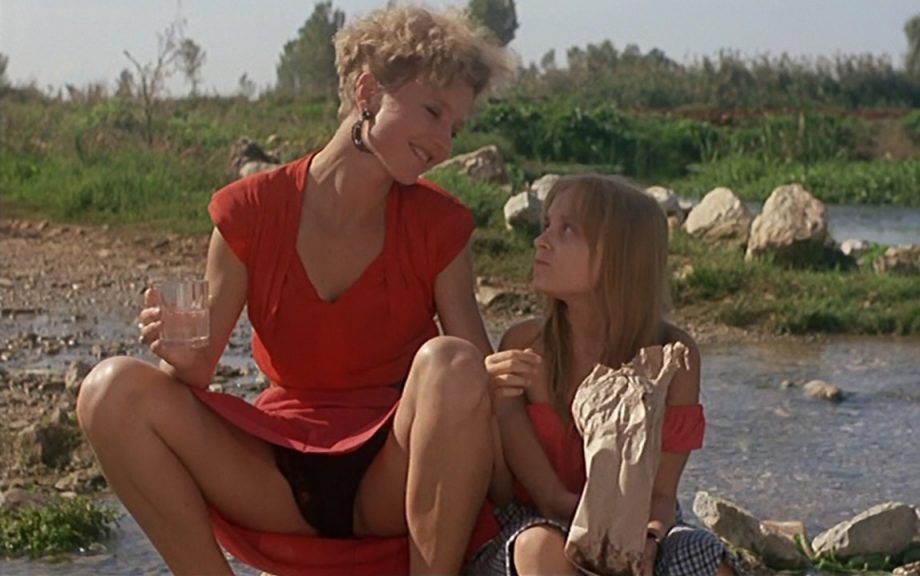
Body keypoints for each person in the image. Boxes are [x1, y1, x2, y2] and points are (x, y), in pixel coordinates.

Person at [76, 5, 514, 575]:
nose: (442, 142)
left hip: (392, 474)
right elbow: (196, 372)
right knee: (108, 389)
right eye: (432, 112)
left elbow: (475, 383)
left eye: (454, 127)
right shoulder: (249, 210)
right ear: (367, 91)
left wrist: (536, 483)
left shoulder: (442, 225)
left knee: (453, 361)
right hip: (274, 472)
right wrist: (178, 355)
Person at [471, 175, 739, 576]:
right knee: (541, 549)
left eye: (567, 229)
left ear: (621, 255)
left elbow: (662, 495)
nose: (541, 241)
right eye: (547, 225)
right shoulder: (525, 346)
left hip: (636, 522)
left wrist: (648, 541)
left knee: (704, 556)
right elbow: (545, 498)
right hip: (537, 521)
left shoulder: (673, 357)